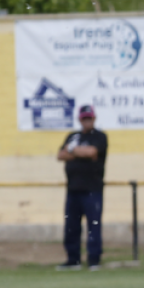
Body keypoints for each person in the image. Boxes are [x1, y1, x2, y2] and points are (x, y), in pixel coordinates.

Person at [56, 104, 107, 271]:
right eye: (84, 118)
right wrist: (77, 151)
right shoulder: (73, 136)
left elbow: (92, 152)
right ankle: (73, 260)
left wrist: (72, 151)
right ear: (79, 119)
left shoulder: (99, 136)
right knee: (71, 226)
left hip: (92, 190)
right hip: (73, 189)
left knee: (93, 226)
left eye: (89, 118)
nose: (87, 121)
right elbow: (61, 155)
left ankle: (93, 260)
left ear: (94, 118)